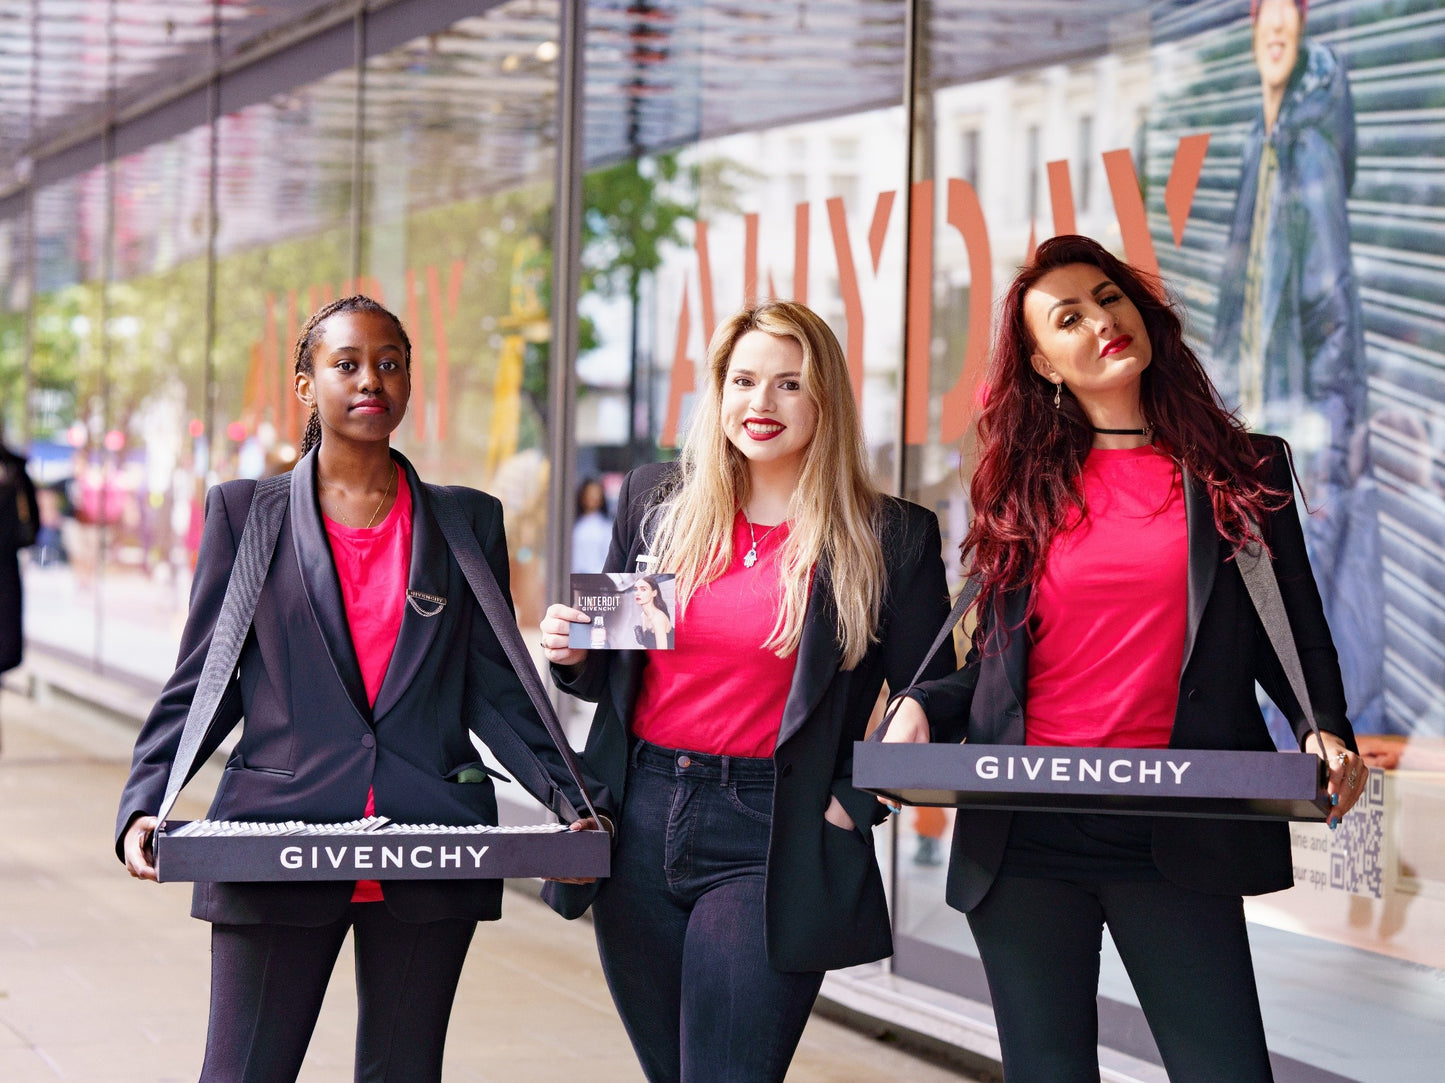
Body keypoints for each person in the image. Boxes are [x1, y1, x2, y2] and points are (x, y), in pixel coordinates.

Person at [884, 235, 1365, 1082]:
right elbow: (989, 668)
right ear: (1043, 363)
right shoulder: (1020, 487)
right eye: (1068, 317)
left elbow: (1291, 633)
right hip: (1026, 829)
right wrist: (924, 703)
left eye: (1108, 296)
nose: (1102, 320)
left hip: (1173, 823)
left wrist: (1321, 729)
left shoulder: (1238, 468)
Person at [116, 296, 605, 1082]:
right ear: (307, 385)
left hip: (429, 845)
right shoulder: (248, 514)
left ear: (408, 380)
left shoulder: (464, 522)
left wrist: (570, 800)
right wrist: (147, 798)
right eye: (345, 364)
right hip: (277, 840)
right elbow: (204, 679)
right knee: (243, 1071)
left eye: (388, 363)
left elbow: (497, 689)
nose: (370, 379)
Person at [538, 299, 954, 1082]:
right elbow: (612, 669)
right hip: (641, 815)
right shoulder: (658, 499)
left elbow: (939, 685)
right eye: (742, 380)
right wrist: (568, 651)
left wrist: (859, 799)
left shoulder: (888, 535)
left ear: (824, 399)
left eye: (788, 384)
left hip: (774, 830)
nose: (760, 404)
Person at [1213, 0, 1384, 735]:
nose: (1275, 29)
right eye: (1264, 16)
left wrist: (1329, 437)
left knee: (1286, 612)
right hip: (1256, 421)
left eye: (1289, 14)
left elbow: (1329, 309)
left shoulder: (1304, 151)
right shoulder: (1266, 139)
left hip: (1295, 429)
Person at [0, 440, 40, 753]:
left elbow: (31, 526)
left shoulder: (14, 467)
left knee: (5, 649)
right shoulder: (14, 466)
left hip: (5, 573)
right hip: (6, 572)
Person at [572, 477, 613, 574]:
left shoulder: (606, 527)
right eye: (589, 494)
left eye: (596, 494)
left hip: (594, 577)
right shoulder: (574, 524)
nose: (593, 497)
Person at [631, 574, 673, 649]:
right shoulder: (643, 615)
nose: (637, 593)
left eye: (643, 589)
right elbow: (646, 644)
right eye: (636, 589)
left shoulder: (658, 619)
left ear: (654, 593)